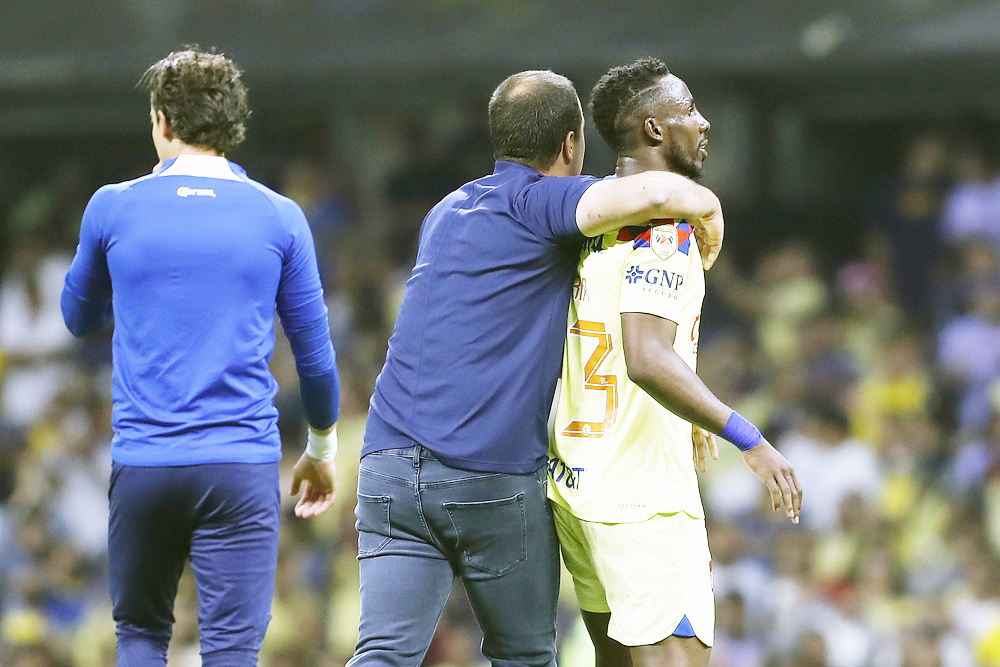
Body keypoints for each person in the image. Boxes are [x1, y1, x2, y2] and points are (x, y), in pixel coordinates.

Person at [351, 69, 726, 667]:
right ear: (572, 146)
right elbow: (656, 195)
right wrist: (707, 207)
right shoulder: (543, 202)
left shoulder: (445, 212)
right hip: (489, 476)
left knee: (383, 654)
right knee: (524, 656)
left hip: (388, 467)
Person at [60, 48, 340, 666]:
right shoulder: (281, 217)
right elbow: (316, 362)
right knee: (233, 649)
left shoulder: (112, 206)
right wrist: (320, 451)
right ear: (234, 124)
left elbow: (76, 318)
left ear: (161, 120)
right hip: (238, 467)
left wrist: (133, 289)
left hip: (145, 464)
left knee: (139, 635)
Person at [547, 57, 802, 667]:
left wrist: (683, 406)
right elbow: (645, 356)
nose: (704, 122)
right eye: (688, 110)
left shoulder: (582, 224)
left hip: (577, 484)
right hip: (644, 499)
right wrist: (747, 435)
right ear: (656, 130)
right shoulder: (668, 229)